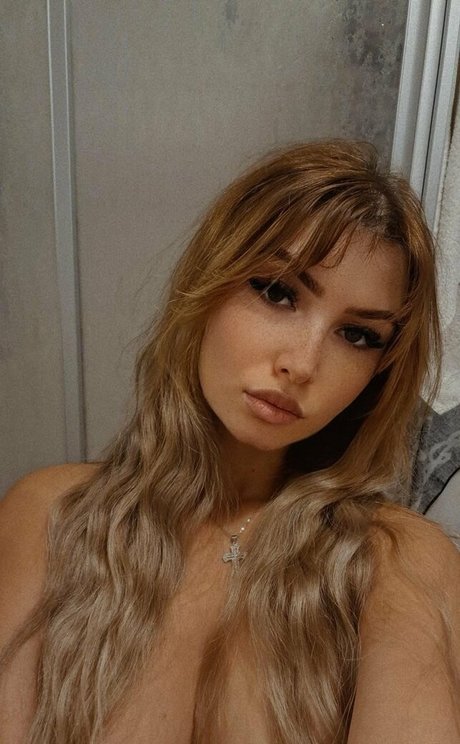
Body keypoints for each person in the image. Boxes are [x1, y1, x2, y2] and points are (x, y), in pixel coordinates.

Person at [0, 140, 459, 744]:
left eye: (356, 335)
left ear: (381, 370)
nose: (302, 364)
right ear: (208, 284)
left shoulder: (398, 559)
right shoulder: (52, 516)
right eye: (278, 291)